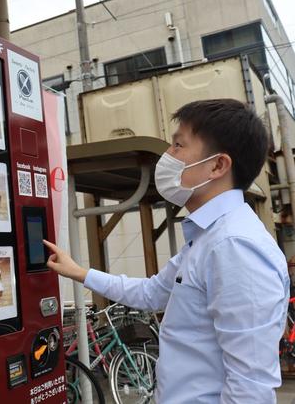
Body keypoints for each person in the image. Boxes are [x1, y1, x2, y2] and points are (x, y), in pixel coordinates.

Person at [45, 99, 289, 403]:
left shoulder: (235, 247)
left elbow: (250, 387)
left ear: (217, 165)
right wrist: (79, 272)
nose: (167, 155)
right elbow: (151, 293)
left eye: (178, 145)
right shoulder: (208, 239)